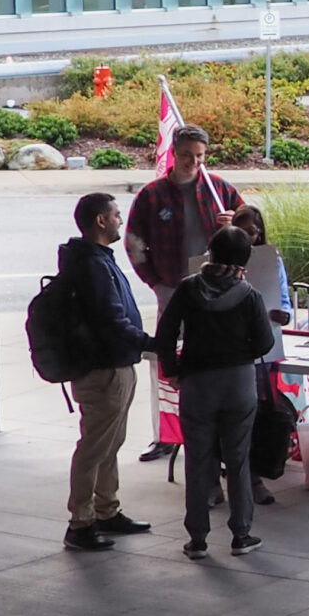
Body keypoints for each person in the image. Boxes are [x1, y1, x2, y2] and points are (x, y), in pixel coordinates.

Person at [153, 226, 275, 558]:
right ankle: (241, 534)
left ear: (211, 253)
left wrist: (173, 371)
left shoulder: (189, 289)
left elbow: (164, 334)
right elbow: (265, 343)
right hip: (238, 383)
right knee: (237, 459)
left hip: (197, 384)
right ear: (243, 260)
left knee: (197, 460)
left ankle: (198, 539)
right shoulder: (249, 295)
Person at [124, 123, 242, 461]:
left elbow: (251, 231)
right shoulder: (152, 195)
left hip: (213, 289)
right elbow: (134, 242)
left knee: (210, 359)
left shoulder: (219, 190)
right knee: (167, 360)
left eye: (200, 156)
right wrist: (155, 282)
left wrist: (232, 225)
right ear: (173, 154)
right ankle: (166, 434)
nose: (194, 162)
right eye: (188, 156)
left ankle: (210, 434)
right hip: (172, 289)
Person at [59, 193, 157, 551]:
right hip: (103, 371)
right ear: (100, 220)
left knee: (109, 443)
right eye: (116, 214)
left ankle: (106, 510)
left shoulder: (95, 260)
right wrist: (150, 342)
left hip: (116, 366)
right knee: (94, 447)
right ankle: (81, 523)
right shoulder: (91, 265)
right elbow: (110, 319)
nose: (120, 220)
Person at [229, 203, 291, 508]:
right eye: (243, 232)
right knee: (229, 418)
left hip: (263, 348)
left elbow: (283, 297)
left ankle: (253, 476)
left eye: (255, 232)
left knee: (258, 414)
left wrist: (284, 315)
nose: (250, 238)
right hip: (228, 352)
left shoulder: (270, 260)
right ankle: (220, 476)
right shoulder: (217, 259)